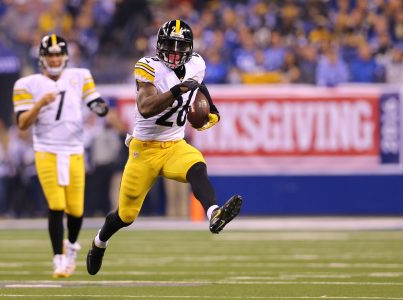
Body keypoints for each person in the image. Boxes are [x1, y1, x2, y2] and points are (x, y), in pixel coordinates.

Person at [86, 19, 242, 276]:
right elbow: (145, 108)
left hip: (173, 144)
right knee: (126, 215)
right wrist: (176, 91)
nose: (173, 52)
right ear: (159, 45)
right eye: (169, 45)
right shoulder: (148, 68)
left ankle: (214, 214)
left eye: (180, 47)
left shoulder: (197, 64)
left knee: (197, 165)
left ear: (190, 49)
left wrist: (209, 110)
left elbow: (198, 86)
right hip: (143, 150)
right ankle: (99, 241)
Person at [12, 34, 109, 278]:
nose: (54, 59)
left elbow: (94, 100)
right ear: (42, 58)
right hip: (46, 149)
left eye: (58, 54)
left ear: (65, 56)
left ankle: (71, 250)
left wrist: (99, 108)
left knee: (76, 209)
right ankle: (58, 258)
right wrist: (39, 104)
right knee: (56, 204)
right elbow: (22, 124)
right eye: (50, 55)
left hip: (74, 150)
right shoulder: (26, 84)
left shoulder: (80, 76)